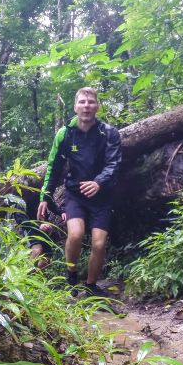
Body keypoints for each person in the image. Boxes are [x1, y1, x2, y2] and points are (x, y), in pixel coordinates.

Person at [38, 87, 121, 296]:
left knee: (99, 243)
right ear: (75, 107)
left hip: (102, 196)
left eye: (91, 102)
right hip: (75, 193)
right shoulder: (65, 134)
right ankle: (71, 274)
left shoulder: (108, 132)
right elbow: (53, 167)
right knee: (75, 234)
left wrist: (98, 182)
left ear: (97, 106)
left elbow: (114, 163)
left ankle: (91, 286)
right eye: (82, 102)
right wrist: (45, 197)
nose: (86, 106)